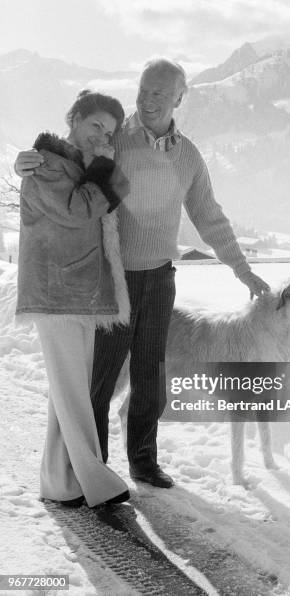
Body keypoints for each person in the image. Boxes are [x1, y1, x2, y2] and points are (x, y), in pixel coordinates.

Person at [15, 59, 271, 490]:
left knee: (151, 374)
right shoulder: (115, 140)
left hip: (160, 277)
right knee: (103, 376)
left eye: (159, 94)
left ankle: (143, 461)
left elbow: (209, 216)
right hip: (113, 280)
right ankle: (90, 467)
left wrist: (242, 270)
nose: (148, 101)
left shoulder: (188, 155)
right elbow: (68, 163)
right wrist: (26, 161)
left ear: (178, 99)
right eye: (143, 91)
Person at [15, 90, 131, 508]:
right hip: (56, 292)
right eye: (95, 124)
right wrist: (105, 170)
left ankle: (60, 483)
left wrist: (102, 170)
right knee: (73, 393)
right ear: (74, 119)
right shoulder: (45, 165)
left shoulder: (77, 166)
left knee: (68, 391)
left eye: (109, 131)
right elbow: (78, 210)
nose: (101, 135)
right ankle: (96, 480)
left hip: (77, 292)